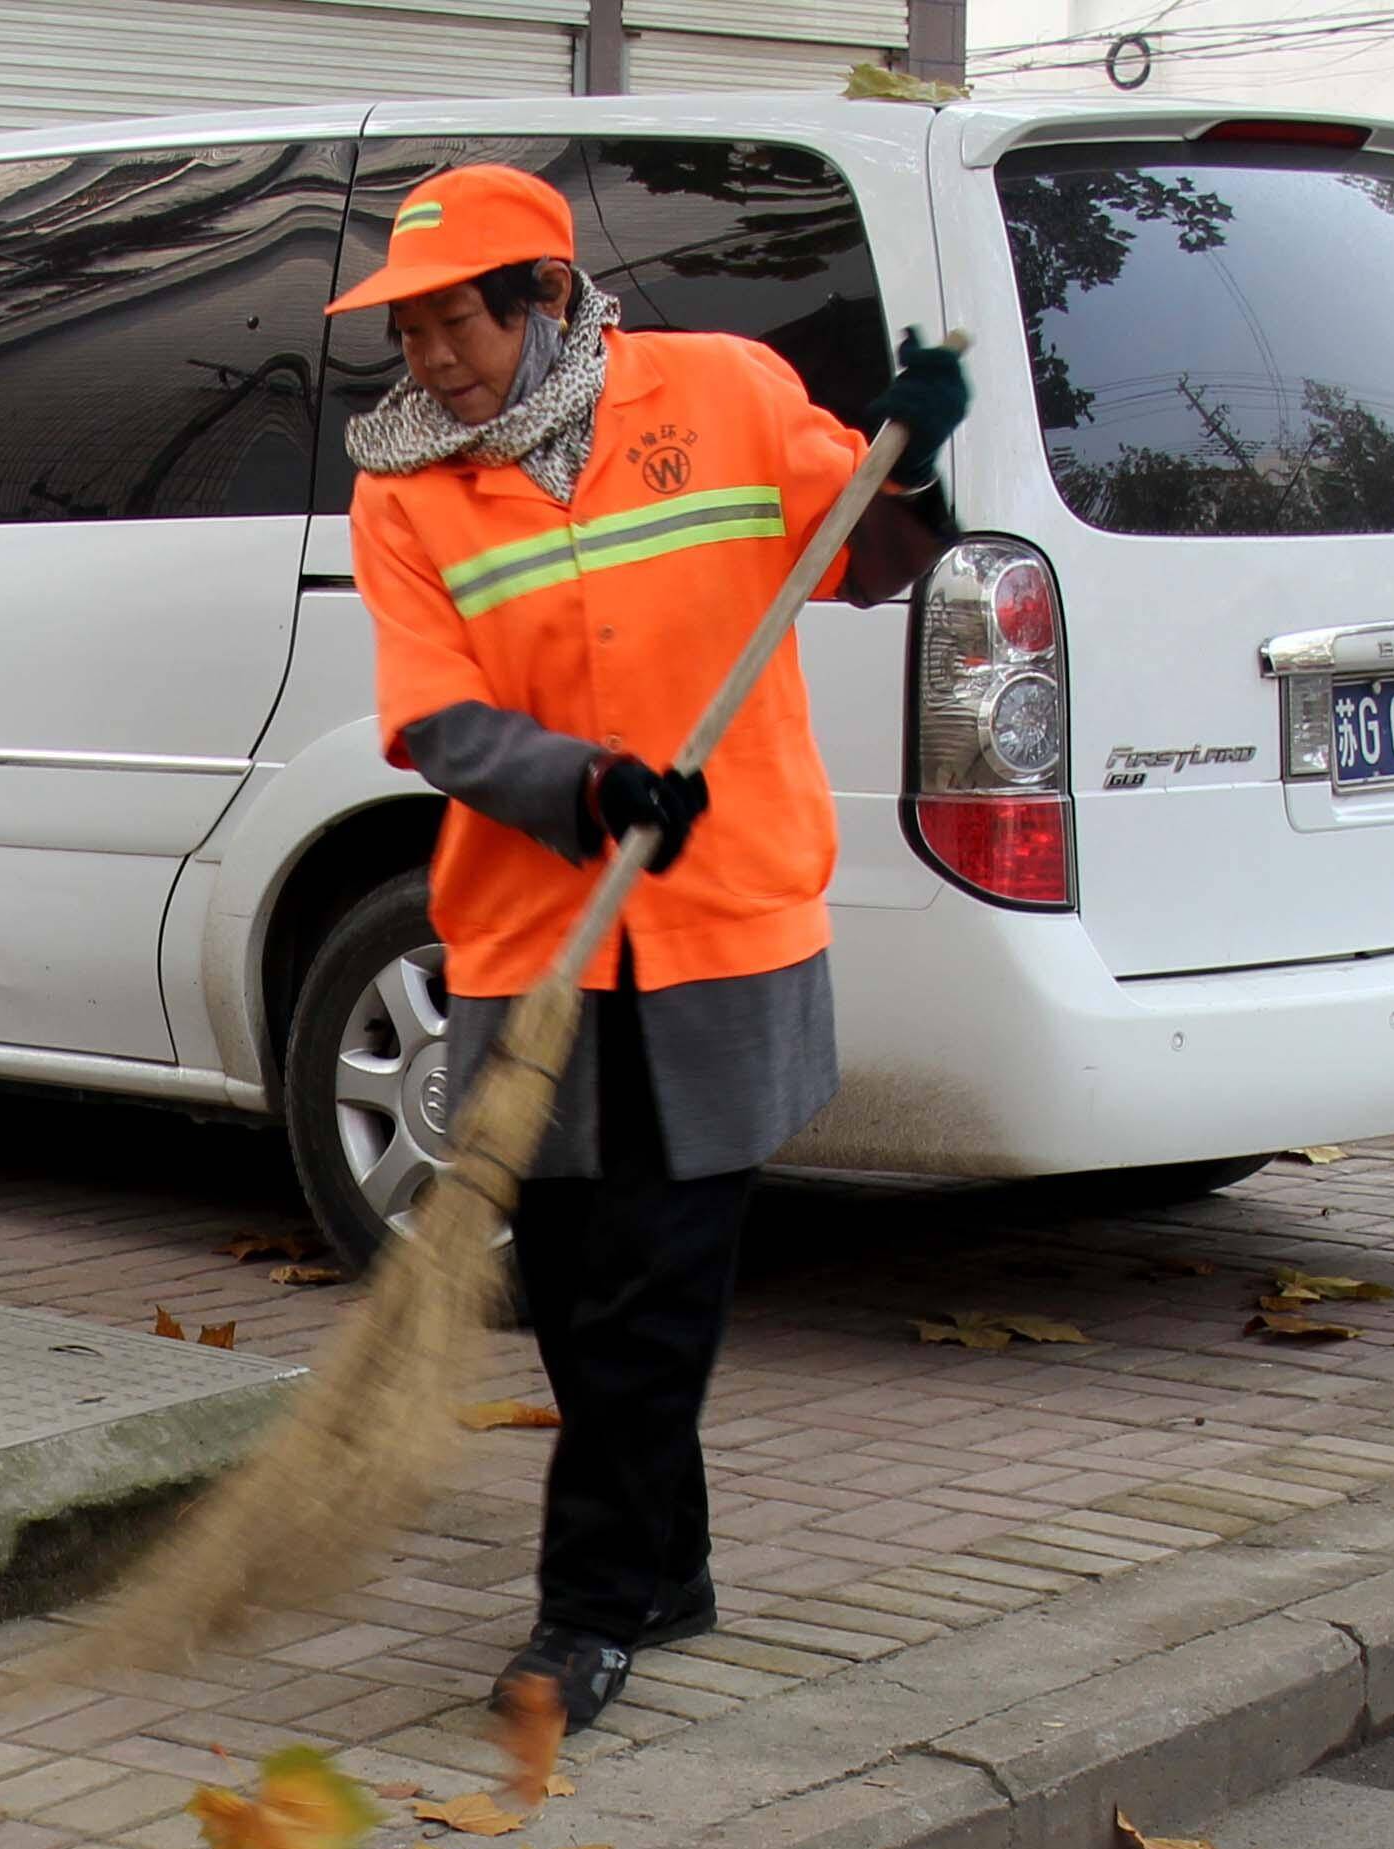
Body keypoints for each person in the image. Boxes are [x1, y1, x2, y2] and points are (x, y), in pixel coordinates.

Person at [332, 162, 969, 1732]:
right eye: (404, 331)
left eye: (449, 323)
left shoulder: (727, 395)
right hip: (530, 936)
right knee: (568, 1280)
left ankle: (588, 1609)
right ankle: (667, 1565)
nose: (426, 361)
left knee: (652, 1288)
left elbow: (871, 566)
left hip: (718, 927)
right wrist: (583, 784)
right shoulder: (403, 490)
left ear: (546, 297)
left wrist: (909, 466)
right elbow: (428, 713)